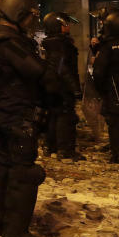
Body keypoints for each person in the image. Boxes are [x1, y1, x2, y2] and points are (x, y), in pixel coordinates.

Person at [0, 0, 58, 237]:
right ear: (17, 14)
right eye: (29, 16)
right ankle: (16, 232)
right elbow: (40, 74)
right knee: (24, 172)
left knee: (1, 166)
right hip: (18, 115)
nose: (32, 22)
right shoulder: (11, 43)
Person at [41, 12, 83, 159]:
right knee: (66, 116)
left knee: (54, 115)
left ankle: (50, 146)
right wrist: (75, 88)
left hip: (52, 86)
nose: (69, 26)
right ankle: (66, 150)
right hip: (62, 87)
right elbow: (63, 67)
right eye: (65, 23)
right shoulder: (61, 44)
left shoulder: (50, 43)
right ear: (58, 25)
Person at [91, 9, 119, 164]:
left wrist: (101, 90)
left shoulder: (107, 47)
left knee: (116, 122)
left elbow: (98, 72)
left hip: (114, 89)